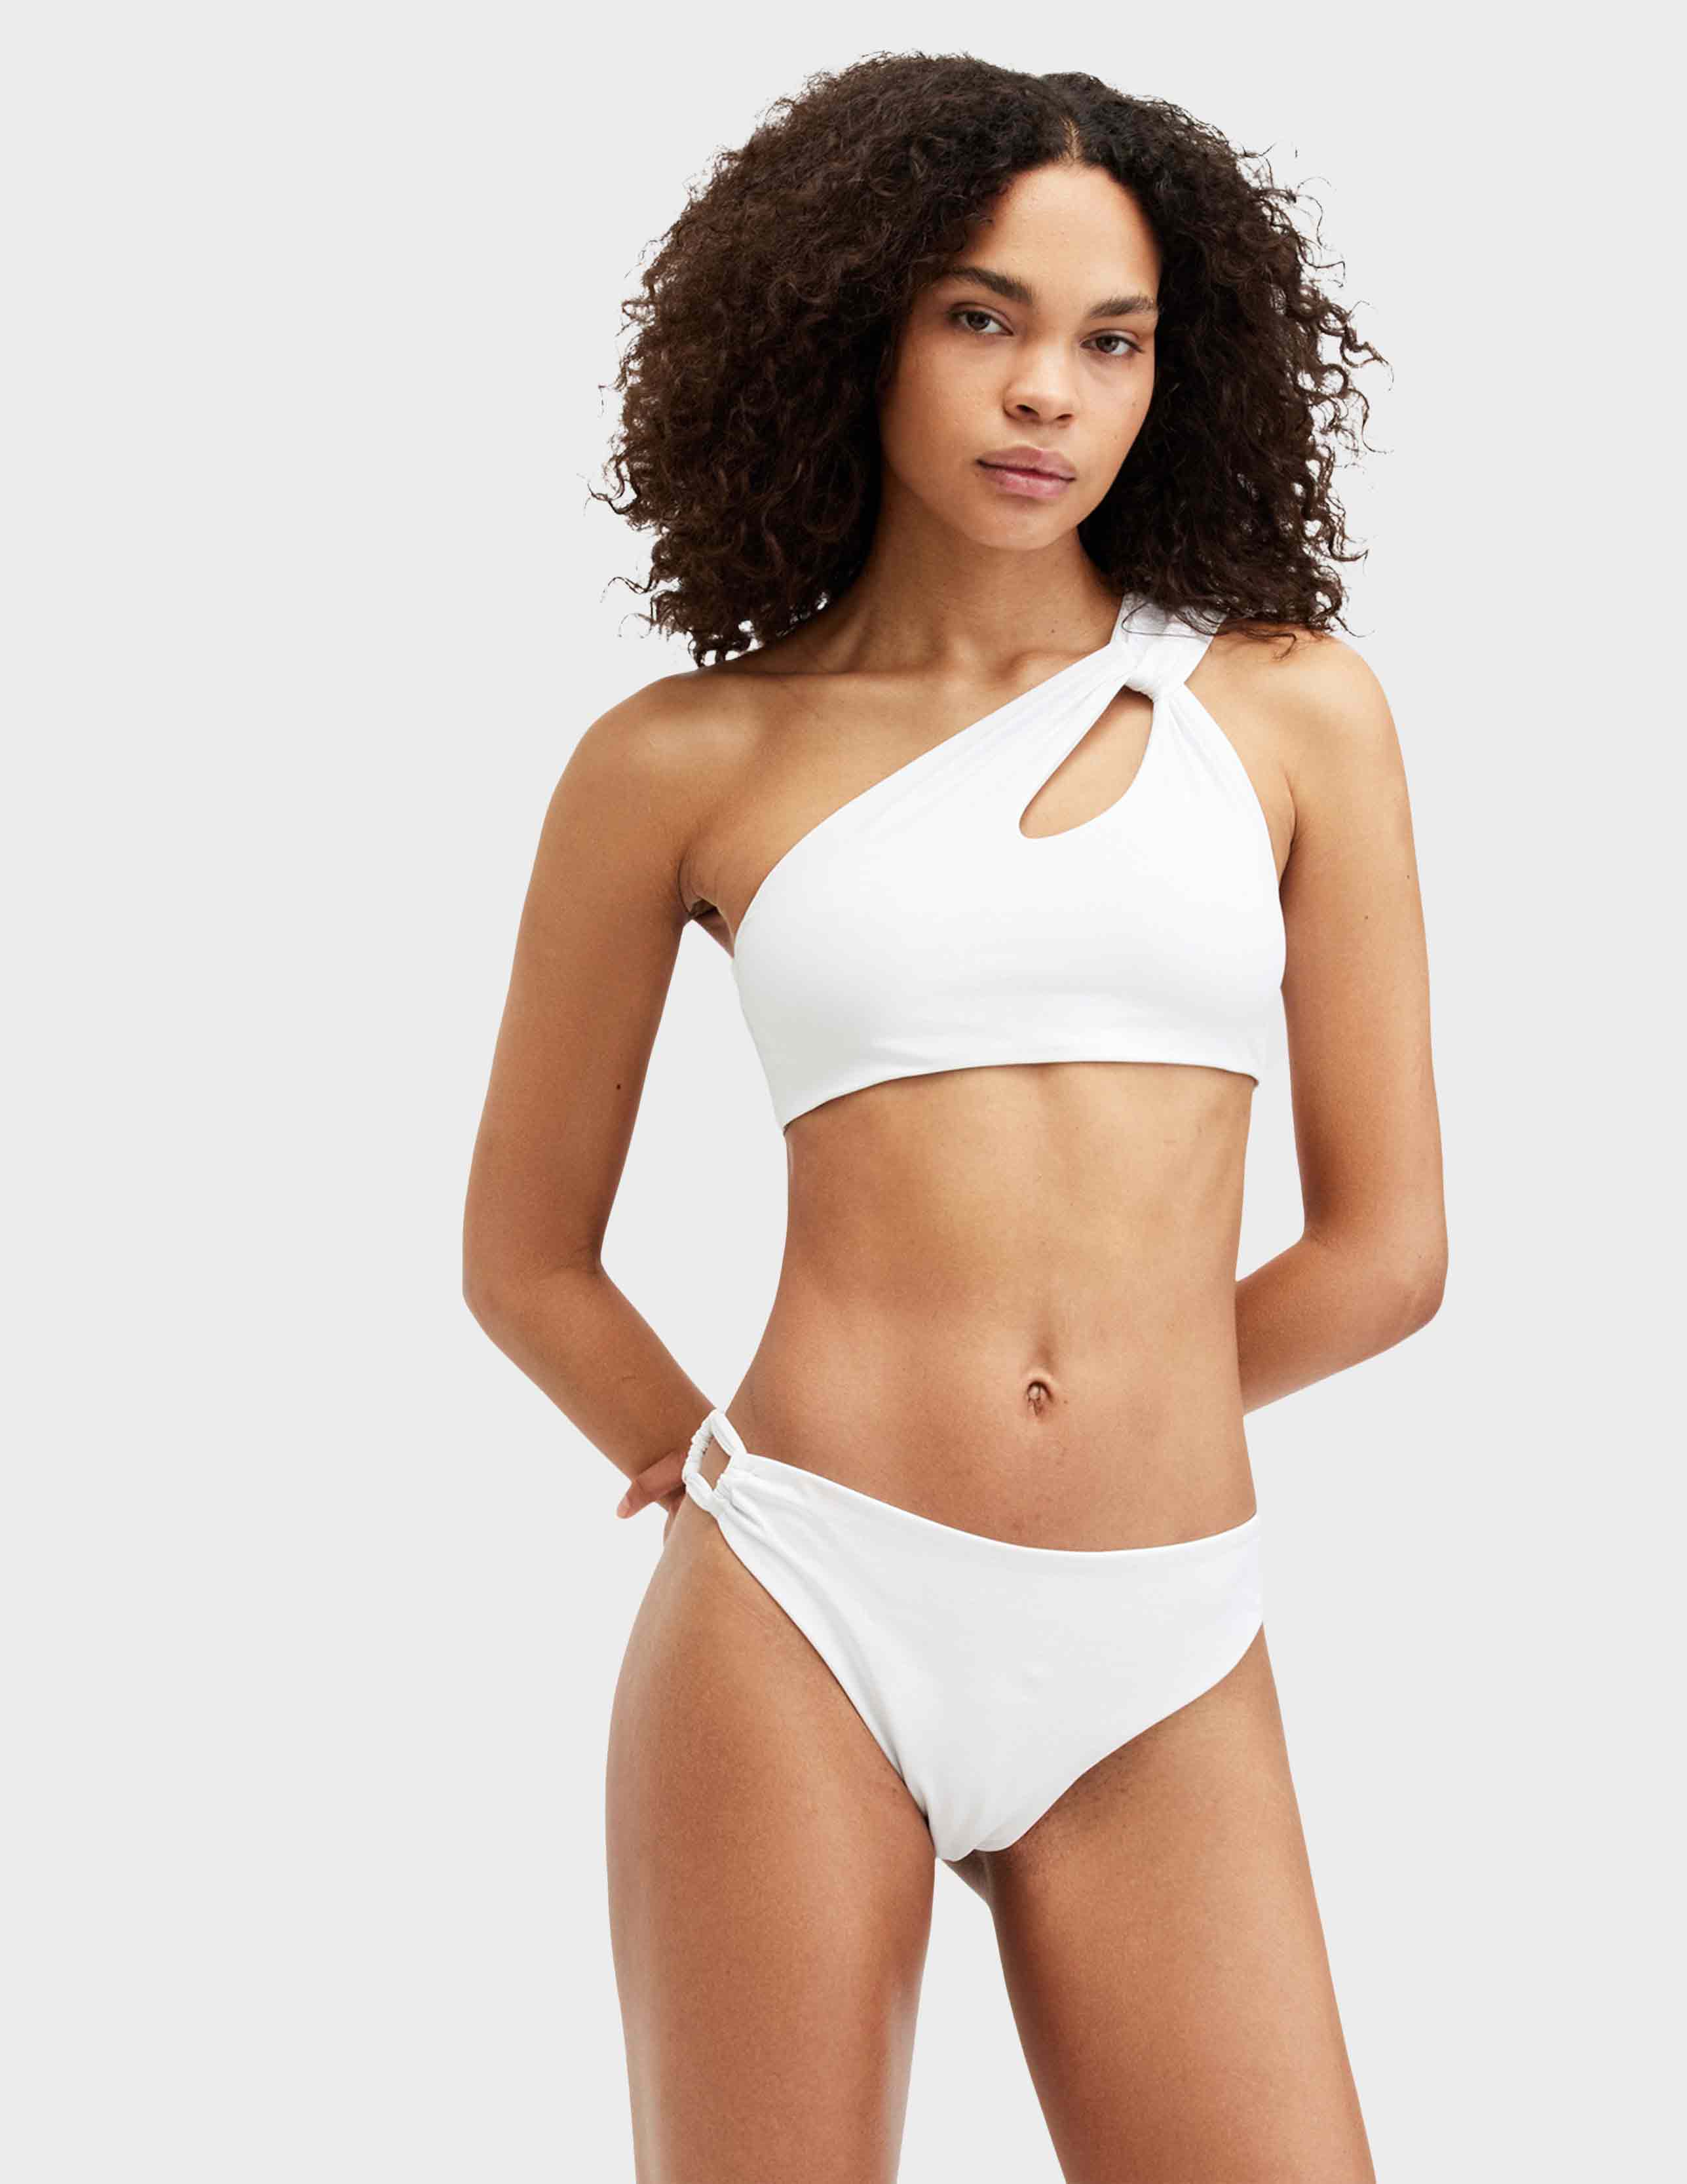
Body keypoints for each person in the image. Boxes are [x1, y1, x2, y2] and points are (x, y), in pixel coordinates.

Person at [463, 52, 1444, 2184]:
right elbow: (524, 1256)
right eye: (983, 319)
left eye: (1114, 341)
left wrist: (1121, 1398)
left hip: (1163, 1633)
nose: (1046, 395)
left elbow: (1390, 1257)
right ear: (855, 324)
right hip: (805, 1607)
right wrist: (720, 1475)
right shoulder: (684, 758)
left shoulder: (1288, 713)